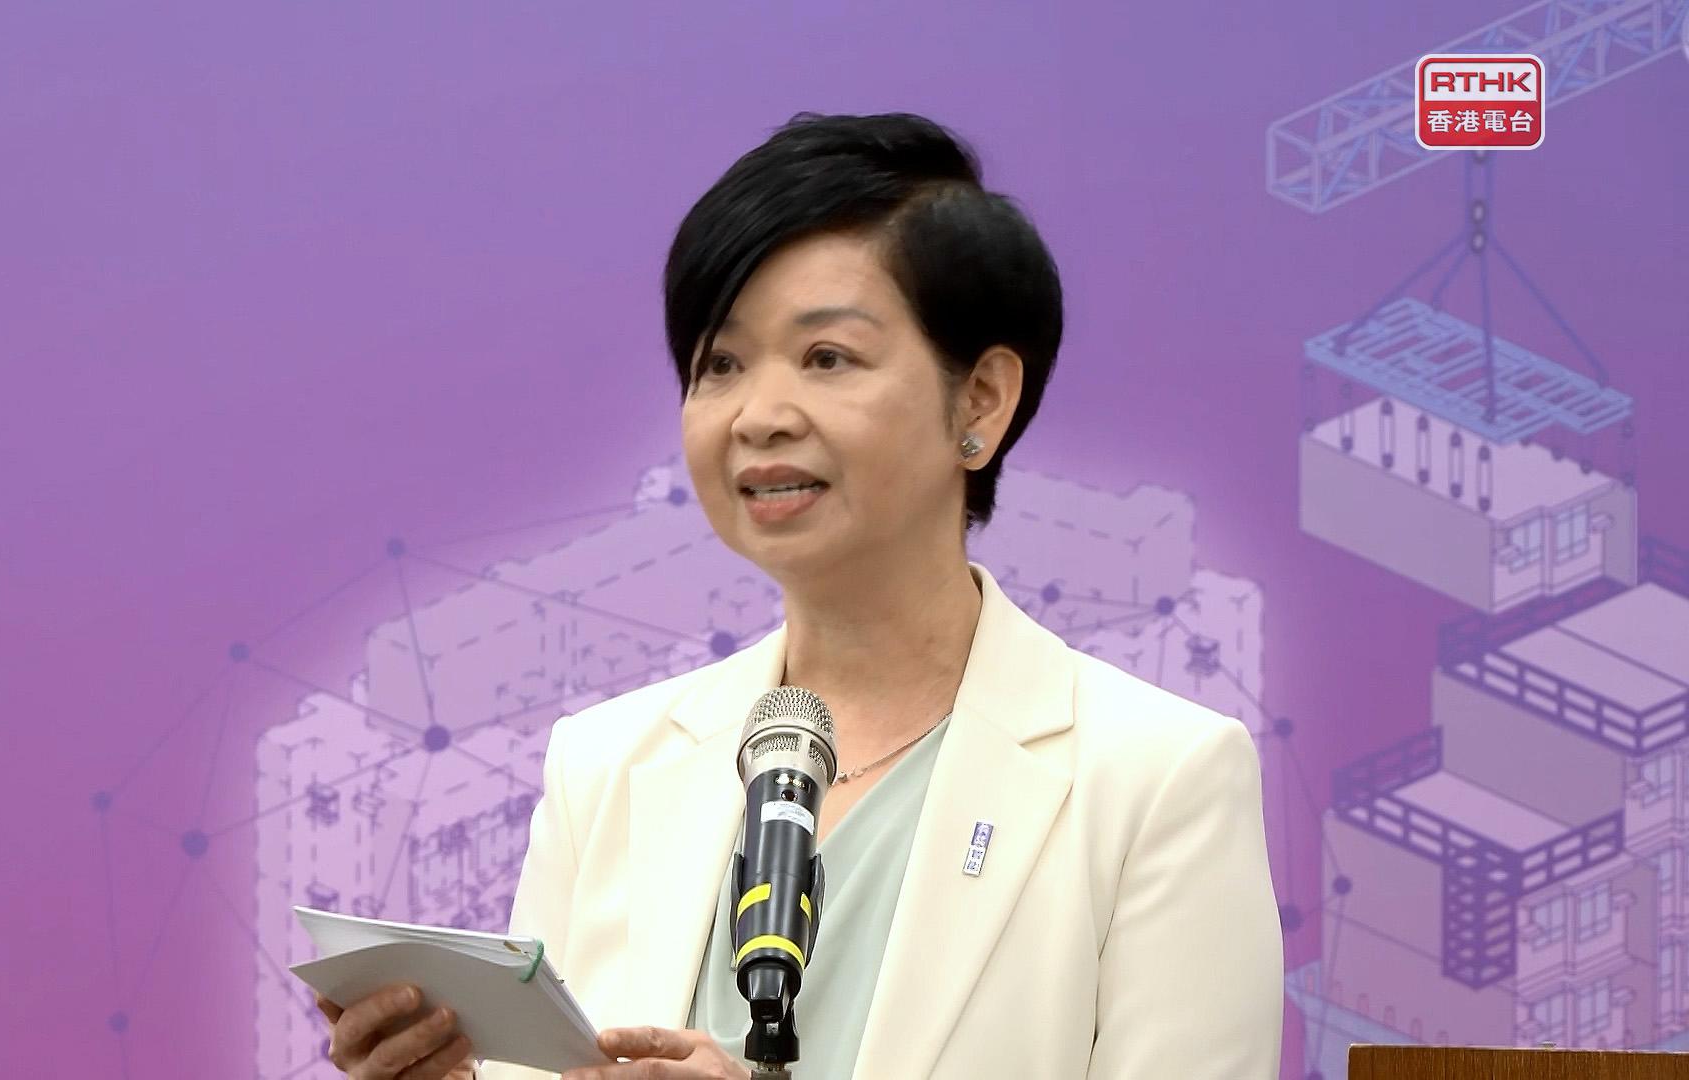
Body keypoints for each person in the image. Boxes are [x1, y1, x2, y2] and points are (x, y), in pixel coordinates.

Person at [318, 111, 1282, 1080]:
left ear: (981, 400)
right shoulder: (605, 766)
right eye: (720, 365)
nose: (759, 416)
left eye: (827, 358)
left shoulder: (1156, 779)